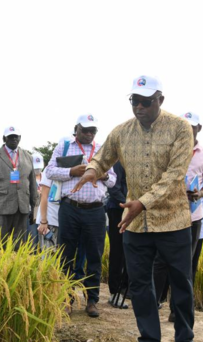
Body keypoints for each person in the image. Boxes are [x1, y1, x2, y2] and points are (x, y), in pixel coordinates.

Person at [74, 75, 203, 342]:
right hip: (134, 223)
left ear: (160, 99)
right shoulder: (121, 131)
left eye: (146, 101)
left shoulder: (180, 128)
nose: (139, 106)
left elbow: (175, 175)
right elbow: (102, 157)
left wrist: (142, 203)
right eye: (134, 100)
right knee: (139, 284)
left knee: (181, 282)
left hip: (173, 220)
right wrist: (91, 171)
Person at [47, 114, 116, 318]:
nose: (88, 134)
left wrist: (100, 174)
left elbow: (113, 180)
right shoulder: (64, 146)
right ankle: (66, 300)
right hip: (70, 208)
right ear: (76, 128)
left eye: (92, 130)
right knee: (66, 255)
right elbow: (50, 171)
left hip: (95, 210)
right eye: (85, 130)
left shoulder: (103, 149)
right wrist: (72, 172)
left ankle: (92, 300)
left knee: (94, 256)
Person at [153, 112, 203, 322]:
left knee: (184, 265)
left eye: (193, 127)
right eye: (184, 127)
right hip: (167, 213)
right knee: (161, 262)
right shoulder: (165, 150)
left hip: (193, 215)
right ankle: (153, 304)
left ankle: (176, 310)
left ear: (199, 128)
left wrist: (199, 193)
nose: (189, 131)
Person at [0, 127, 38, 247]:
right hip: (0, 208)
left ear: (20, 138)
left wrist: (35, 207)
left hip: (22, 207)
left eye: (16, 136)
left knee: (19, 245)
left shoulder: (28, 157)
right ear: (4, 138)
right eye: (10, 137)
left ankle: (15, 266)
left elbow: (32, 183)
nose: (13, 139)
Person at [105, 161, 129, 309]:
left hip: (138, 210)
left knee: (135, 251)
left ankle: (129, 290)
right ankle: (115, 291)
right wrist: (129, 204)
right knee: (118, 251)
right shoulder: (118, 161)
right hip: (118, 209)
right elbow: (114, 188)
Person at [27, 152, 45, 248]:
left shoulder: (46, 177)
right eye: (35, 167)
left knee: (43, 238)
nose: (37, 170)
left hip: (43, 211)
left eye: (39, 167)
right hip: (31, 211)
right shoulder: (26, 177)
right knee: (32, 238)